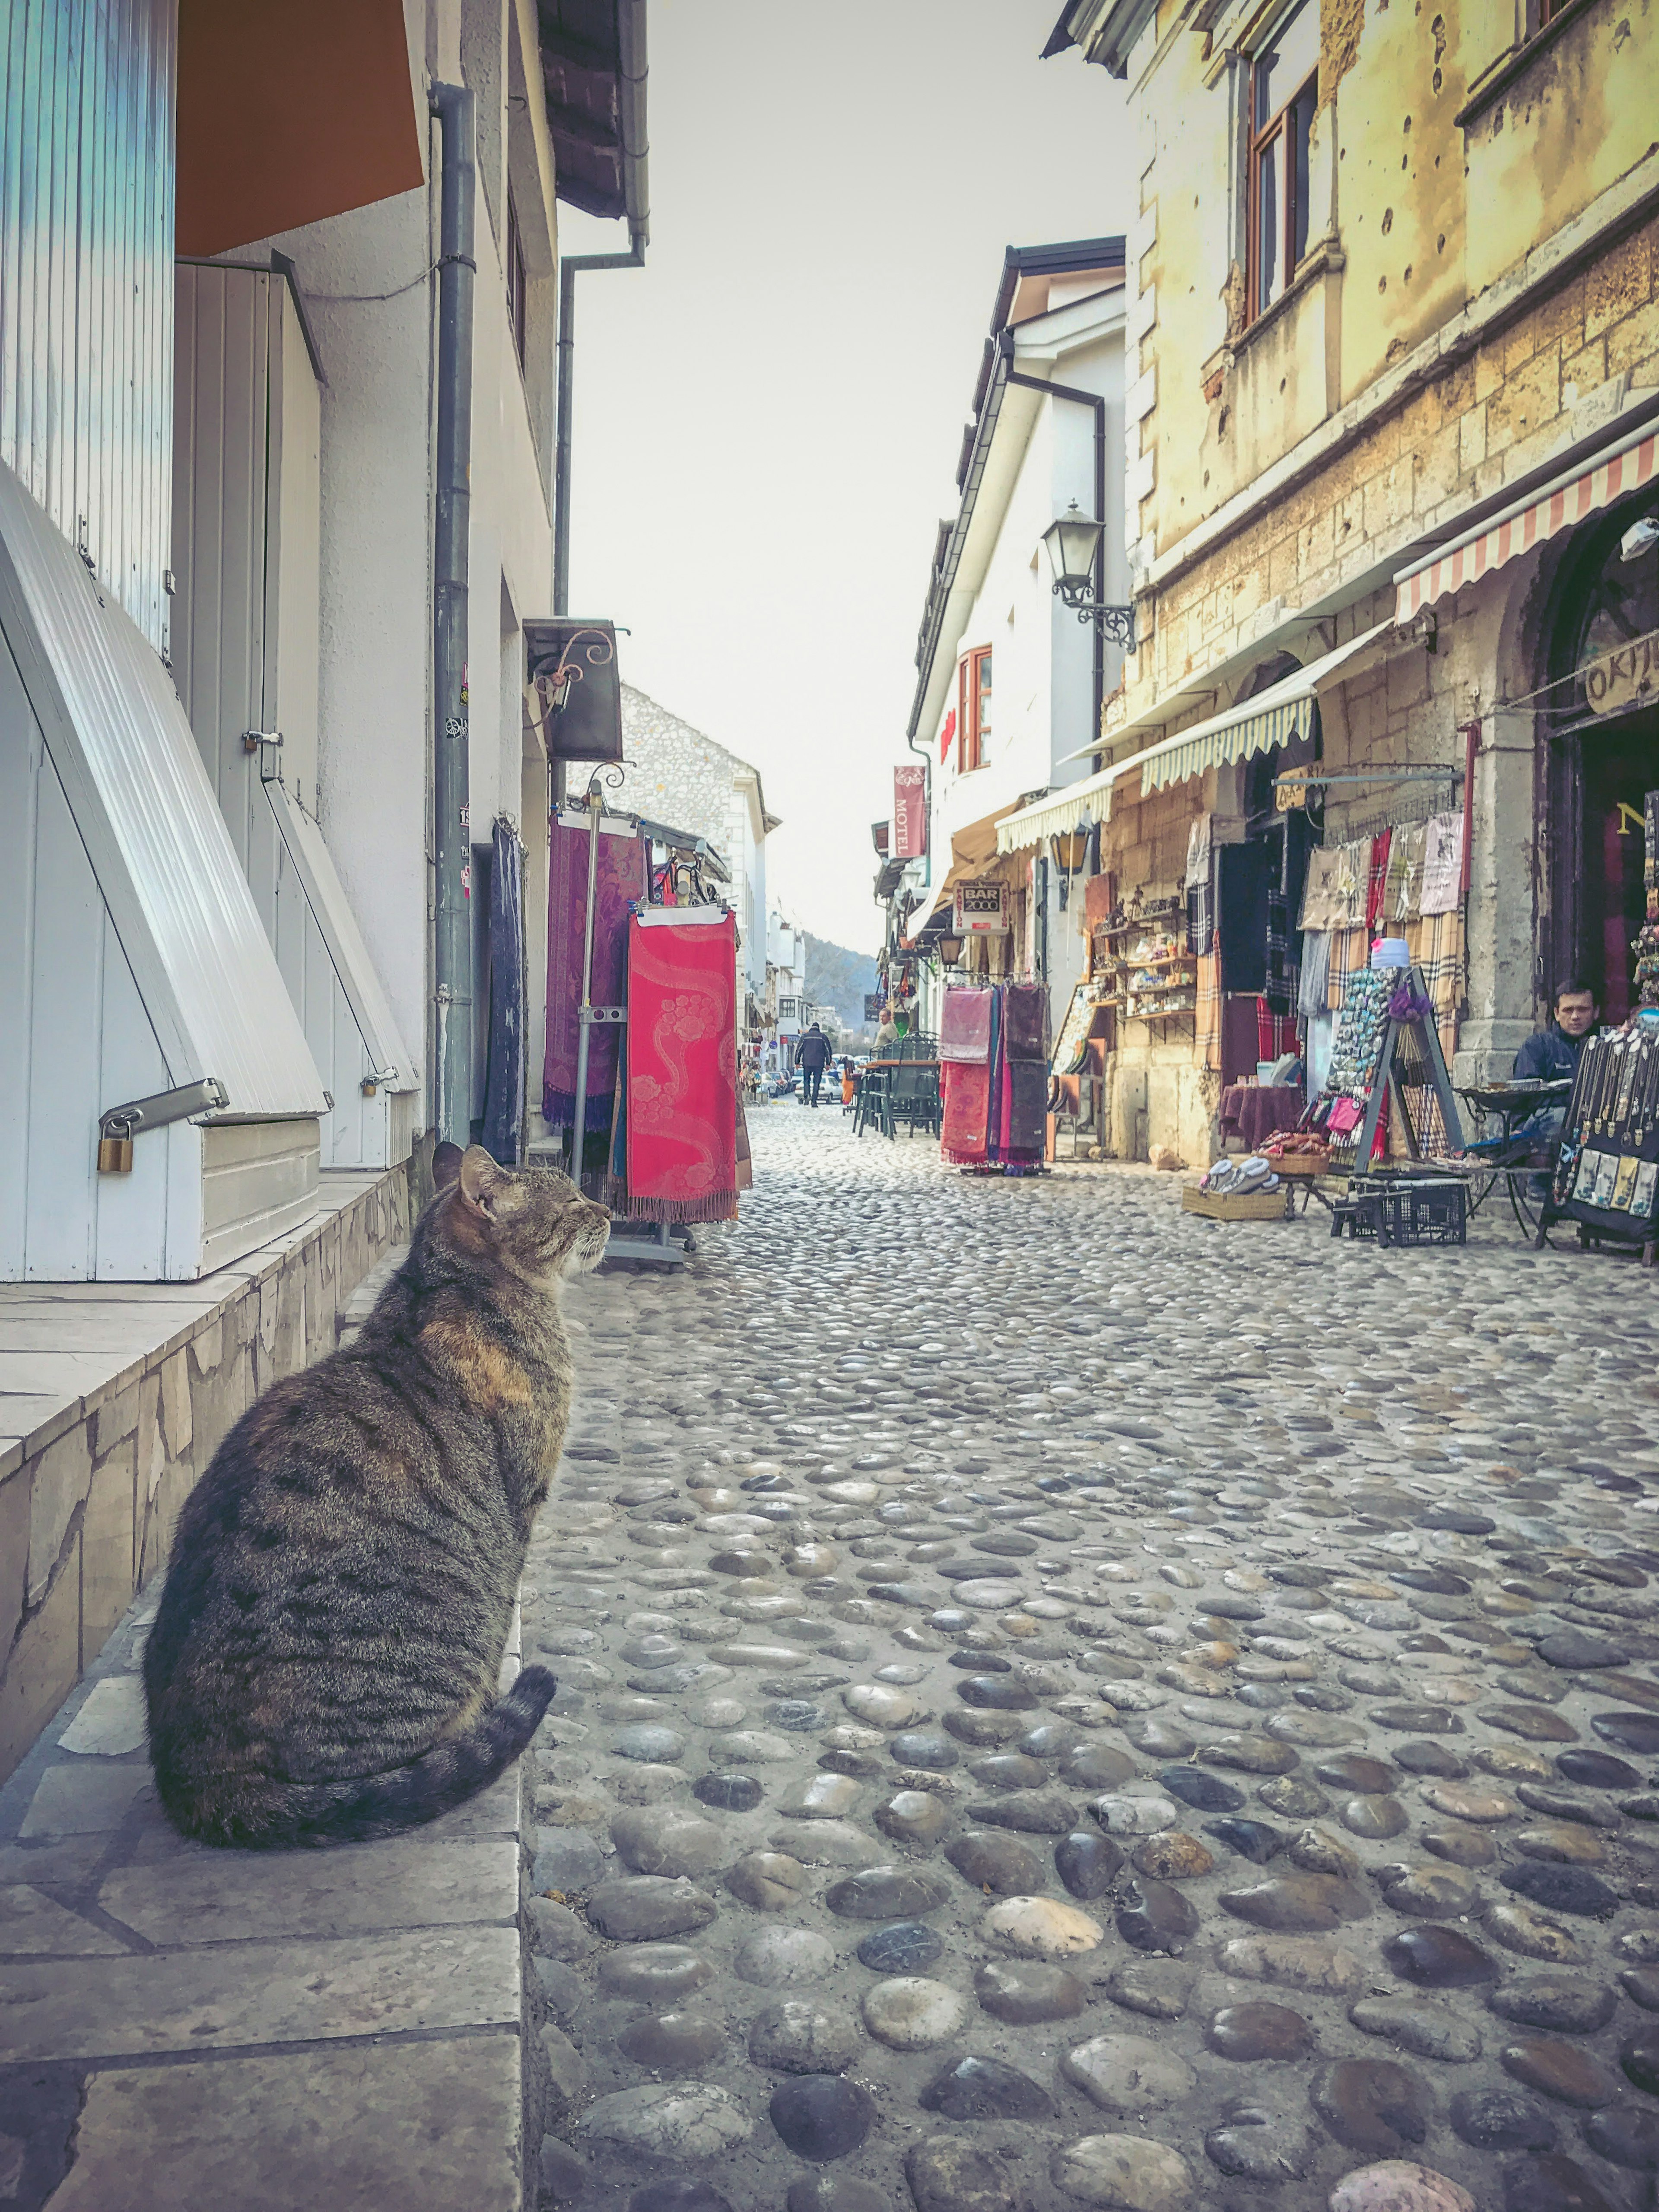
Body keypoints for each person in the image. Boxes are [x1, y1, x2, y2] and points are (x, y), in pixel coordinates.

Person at [1514, 977, 1600, 1083]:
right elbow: (1528, 1096)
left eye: (1583, 1010)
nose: (1575, 1016)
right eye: (1568, 1010)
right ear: (1557, 1014)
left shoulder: (1608, 1048)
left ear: (1596, 1012)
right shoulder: (1536, 1047)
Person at [794, 1022, 833, 1106]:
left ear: (811, 1028)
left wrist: (797, 1062)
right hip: (819, 1064)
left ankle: (807, 1096)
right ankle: (814, 1101)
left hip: (807, 1063)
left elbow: (799, 1050)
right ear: (818, 1028)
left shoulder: (805, 1037)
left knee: (806, 1081)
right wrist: (828, 1063)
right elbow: (828, 1051)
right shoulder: (823, 1037)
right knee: (817, 1082)